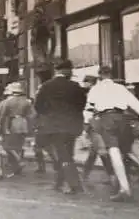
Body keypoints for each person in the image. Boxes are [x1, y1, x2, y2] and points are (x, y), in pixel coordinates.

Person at [86, 66, 139, 201]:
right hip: (122, 118)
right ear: (111, 75)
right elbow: (135, 103)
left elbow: (89, 108)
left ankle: (125, 188)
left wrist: (88, 124)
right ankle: (135, 173)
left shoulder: (95, 89)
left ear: (99, 75)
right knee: (124, 150)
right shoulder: (120, 88)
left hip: (106, 118)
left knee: (114, 151)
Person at [34, 59, 86, 195]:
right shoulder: (75, 86)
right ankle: (60, 182)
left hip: (54, 126)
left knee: (63, 156)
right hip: (72, 126)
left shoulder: (46, 86)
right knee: (68, 154)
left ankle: (74, 185)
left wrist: (50, 115)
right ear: (67, 70)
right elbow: (81, 105)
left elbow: (38, 106)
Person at [0, 82, 32, 177]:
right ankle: (17, 166)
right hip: (23, 123)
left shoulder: (8, 102)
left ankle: (19, 161)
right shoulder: (26, 101)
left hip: (13, 123)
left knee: (8, 146)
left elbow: (3, 115)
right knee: (19, 145)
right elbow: (31, 115)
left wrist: (1, 125)